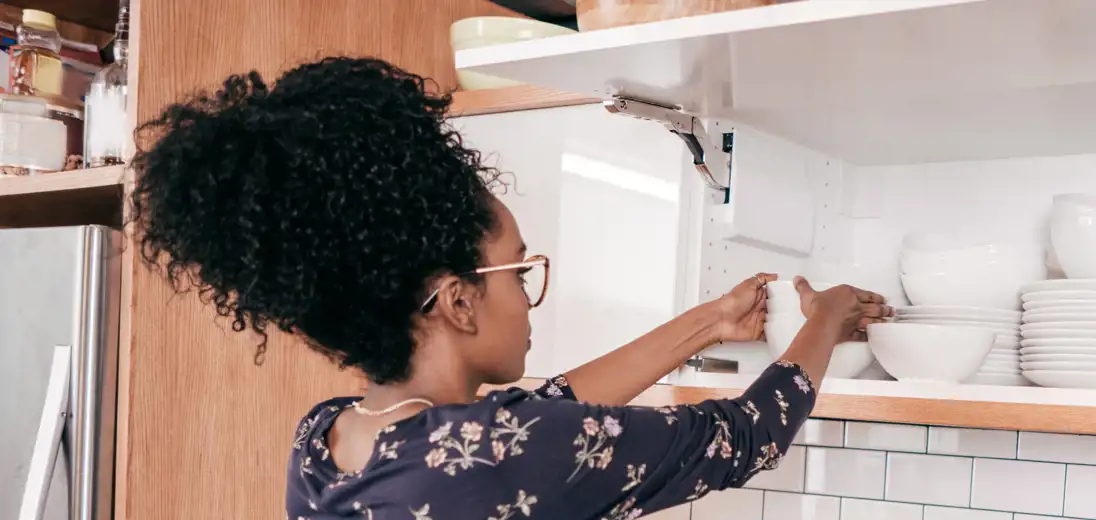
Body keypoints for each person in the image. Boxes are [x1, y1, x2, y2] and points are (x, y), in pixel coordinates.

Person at [128, 57, 891, 519]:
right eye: (520, 271)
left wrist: (709, 321)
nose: (529, 293)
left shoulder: (325, 439)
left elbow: (543, 412)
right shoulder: (493, 455)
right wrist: (822, 319)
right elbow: (742, 439)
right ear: (460, 300)